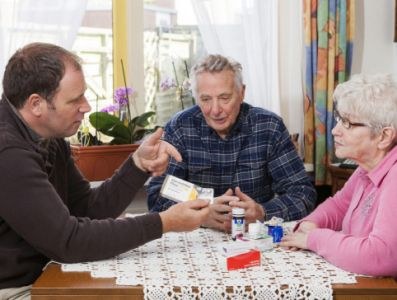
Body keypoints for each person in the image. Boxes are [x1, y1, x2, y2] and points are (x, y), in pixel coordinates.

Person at [0, 42, 210, 298]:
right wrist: (165, 222)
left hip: (48, 275)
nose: (86, 106)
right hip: (15, 289)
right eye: (75, 99)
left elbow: (88, 210)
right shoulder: (8, 154)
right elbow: (69, 242)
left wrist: (137, 165)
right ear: (36, 105)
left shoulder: (50, 137)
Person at [147, 54, 316, 232]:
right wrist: (202, 215)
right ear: (196, 97)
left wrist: (263, 212)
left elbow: (303, 194)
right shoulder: (180, 127)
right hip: (196, 241)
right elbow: (157, 198)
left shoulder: (269, 127)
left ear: (242, 92)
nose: (215, 110)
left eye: (224, 98)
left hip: (255, 238)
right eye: (205, 99)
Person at [280, 74, 397, 277]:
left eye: (348, 123)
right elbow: (339, 205)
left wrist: (314, 238)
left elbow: (381, 257)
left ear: (384, 136)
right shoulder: (366, 167)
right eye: (338, 119)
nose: (334, 130)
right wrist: (311, 224)